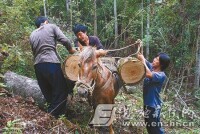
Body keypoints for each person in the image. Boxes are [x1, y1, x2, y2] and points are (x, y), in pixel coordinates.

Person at [29, 16, 76, 118]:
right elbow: (64, 40)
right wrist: (71, 50)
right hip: (51, 63)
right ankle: (49, 117)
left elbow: (34, 51)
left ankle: (59, 117)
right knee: (62, 92)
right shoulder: (51, 26)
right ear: (46, 22)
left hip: (38, 66)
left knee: (50, 94)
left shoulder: (32, 34)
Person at [137, 51, 170, 134]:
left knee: (155, 129)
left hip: (153, 106)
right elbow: (143, 60)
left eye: (157, 59)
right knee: (150, 128)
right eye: (155, 58)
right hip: (148, 105)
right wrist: (140, 53)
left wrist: (143, 61)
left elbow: (148, 74)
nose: (154, 60)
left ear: (161, 64)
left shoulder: (161, 75)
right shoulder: (152, 67)